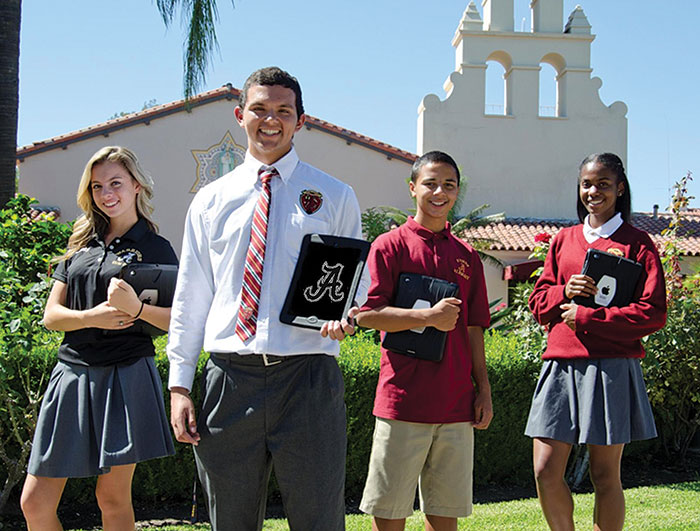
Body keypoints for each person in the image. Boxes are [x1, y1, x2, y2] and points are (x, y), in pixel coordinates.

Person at [166, 66, 368, 530]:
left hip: (308, 379)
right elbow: (191, 296)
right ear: (241, 115)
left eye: (283, 110)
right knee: (230, 522)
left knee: (318, 520)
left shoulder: (336, 196)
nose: (270, 120)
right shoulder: (211, 201)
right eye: (259, 109)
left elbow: (352, 285)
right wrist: (180, 384)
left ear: (302, 120)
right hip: (229, 380)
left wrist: (347, 317)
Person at [20, 146, 177, 531]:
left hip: (127, 375)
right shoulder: (81, 244)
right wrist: (94, 316)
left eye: (116, 183)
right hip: (71, 375)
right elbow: (51, 317)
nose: (107, 193)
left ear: (137, 185)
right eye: (97, 186)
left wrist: (136, 310)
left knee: (111, 498)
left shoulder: (158, 249)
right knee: (34, 503)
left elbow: (179, 320)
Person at [525, 152, 667, 531]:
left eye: (603, 184)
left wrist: (589, 316)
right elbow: (539, 304)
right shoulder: (564, 240)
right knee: (544, 470)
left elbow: (653, 313)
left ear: (620, 188)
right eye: (587, 184)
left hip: (611, 368)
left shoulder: (638, 244)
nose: (593, 191)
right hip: (559, 365)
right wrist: (562, 292)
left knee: (605, 477)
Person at [354, 151, 494, 531]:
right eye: (430, 183)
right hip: (403, 400)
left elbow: (474, 328)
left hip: (455, 404)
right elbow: (365, 315)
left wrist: (482, 389)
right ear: (412, 187)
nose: (439, 192)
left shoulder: (467, 256)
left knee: (444, 512)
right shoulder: (389, 246)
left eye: (449, 185)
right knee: (390, 509)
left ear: (457, 192)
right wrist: (426, 317)